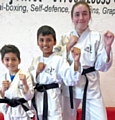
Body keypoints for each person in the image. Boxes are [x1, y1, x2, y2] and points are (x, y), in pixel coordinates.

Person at [54, 1, 114, 120]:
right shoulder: (65, 38)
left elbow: (102, 66)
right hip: (70, 85)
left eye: (84, 14)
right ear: (72, 18)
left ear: (90, 16)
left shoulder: (97, 37)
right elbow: (55, 61)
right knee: (67, 118)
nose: (81, 18)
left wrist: (108, 47)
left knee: (100, 117)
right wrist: (68, 45)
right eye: (77, 14)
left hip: (90, 85)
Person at [28, 25, 81, 120]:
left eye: (49, 40)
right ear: (37, 42)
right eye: (42, 40)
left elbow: (71, 80)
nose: (45, 43)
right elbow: (28, 82)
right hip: (38, 100)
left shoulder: (59, 60)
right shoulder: (35, 60)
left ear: (54, 42)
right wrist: (36, 72)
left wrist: (76, 61)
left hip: (53, 101)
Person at [0, 44, 35, 120]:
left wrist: (24, 83)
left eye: (13, 59)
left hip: (22, 111)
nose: (10, 62)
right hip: (9, 111)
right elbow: (1, 97)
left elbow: (29, 97)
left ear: (19, 60)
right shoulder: (3, 77)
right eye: (7, 59)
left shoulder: (25, 75)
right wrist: (3, 89)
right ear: (2, 61)